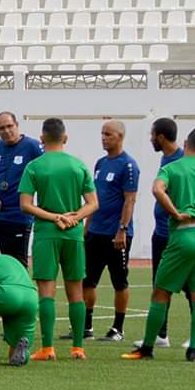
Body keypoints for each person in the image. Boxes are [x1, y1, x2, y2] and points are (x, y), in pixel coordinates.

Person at [123, 127, 195, 362]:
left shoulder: (172, 168)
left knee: (161, 292)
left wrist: (175, 212)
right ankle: (193, 349)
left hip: (183, 236)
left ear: (185, 142)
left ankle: (147, 347)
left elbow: (157, 190)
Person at [18, 118, 99, 361]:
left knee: (46, 291)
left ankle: (48, 348)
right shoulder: (78, 165)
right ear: (65, 138)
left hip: (46, 233)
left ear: (41, 139)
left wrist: (55, 217)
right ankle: (77, 347)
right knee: (75, 291)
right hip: (73, 235)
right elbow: (93, 203)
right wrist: (73, 218)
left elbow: (25, 205)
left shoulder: (34, 166)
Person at [75, 121, 139, 343]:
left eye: (108, 134)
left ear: (120, 136)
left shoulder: (129, 165)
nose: (103, 138)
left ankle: (117, 329)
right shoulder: (100, 164)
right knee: (87, 280)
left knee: (119, 281)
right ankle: (87, 327)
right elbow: (94, 199)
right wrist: (86, 226)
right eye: (102, 134)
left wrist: (122, 230)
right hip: (95, 232)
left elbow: (130, 200)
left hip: (116, 235)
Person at [140, 117, 195, 350]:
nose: (151, 139)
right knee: (160, 284)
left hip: (177, 234)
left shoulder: (182, 160)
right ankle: (161, 334)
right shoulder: (166, 158)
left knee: (188, 284)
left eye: (152, 134)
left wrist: (176, 215)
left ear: (161, 137)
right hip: (161, 233)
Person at [0, 111, 44, 265]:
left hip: (17, 217)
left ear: (17, 125)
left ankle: (23, 289)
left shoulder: (33, 147)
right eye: (2, 128)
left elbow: (47, 176)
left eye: (10, 126)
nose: (7, 131)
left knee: (16, 266)